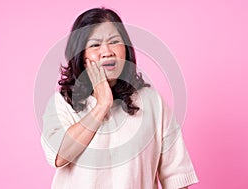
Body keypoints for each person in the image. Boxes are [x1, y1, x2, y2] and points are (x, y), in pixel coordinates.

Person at [41, 7, 199, 189]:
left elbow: (176, 176)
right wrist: (102, 105)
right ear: (80, 55)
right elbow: (58, 156)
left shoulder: (152, 102)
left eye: (114, 42)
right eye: (95, 45)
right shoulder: (61, 104)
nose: (107, 52)